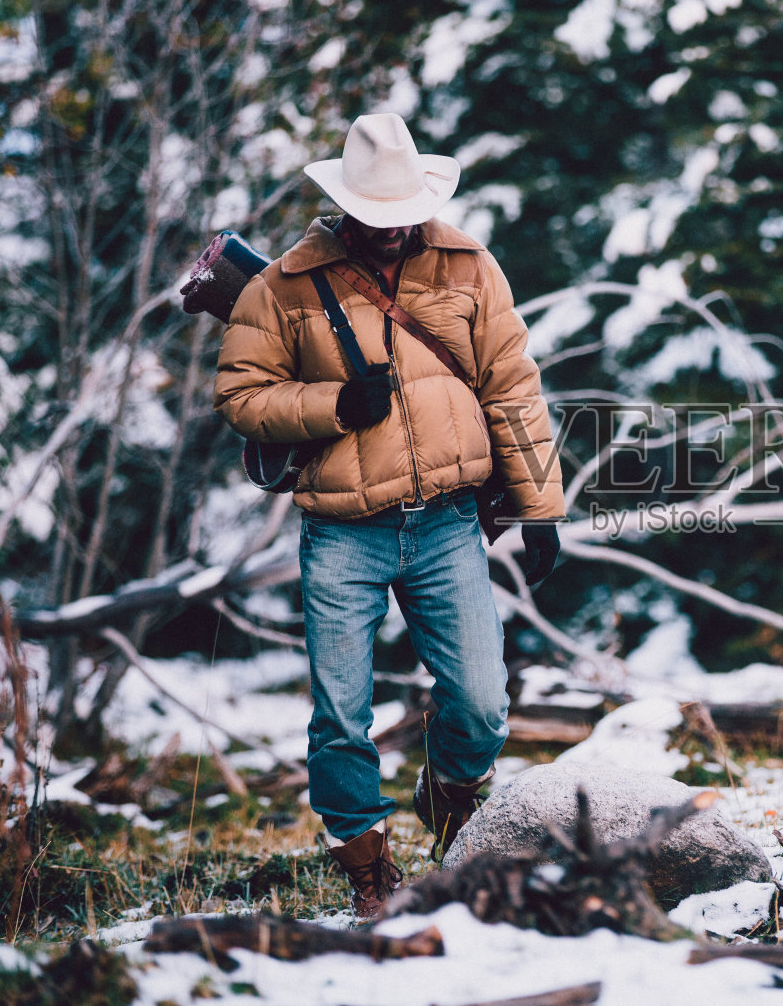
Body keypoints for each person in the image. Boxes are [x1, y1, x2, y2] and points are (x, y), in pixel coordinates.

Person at [213, 112, 564, 920]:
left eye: (403, 209)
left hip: (445, 522)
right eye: (376, 213)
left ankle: (446, 797)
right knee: (342, 713)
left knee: (480, 702)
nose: (393, 226)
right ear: (346, 206)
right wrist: (331, 403)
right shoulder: (283, 285)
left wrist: (539, 505)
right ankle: (369, 869)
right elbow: (240, 396)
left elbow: (513, 385)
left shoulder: (470, 266)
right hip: (342, 527)